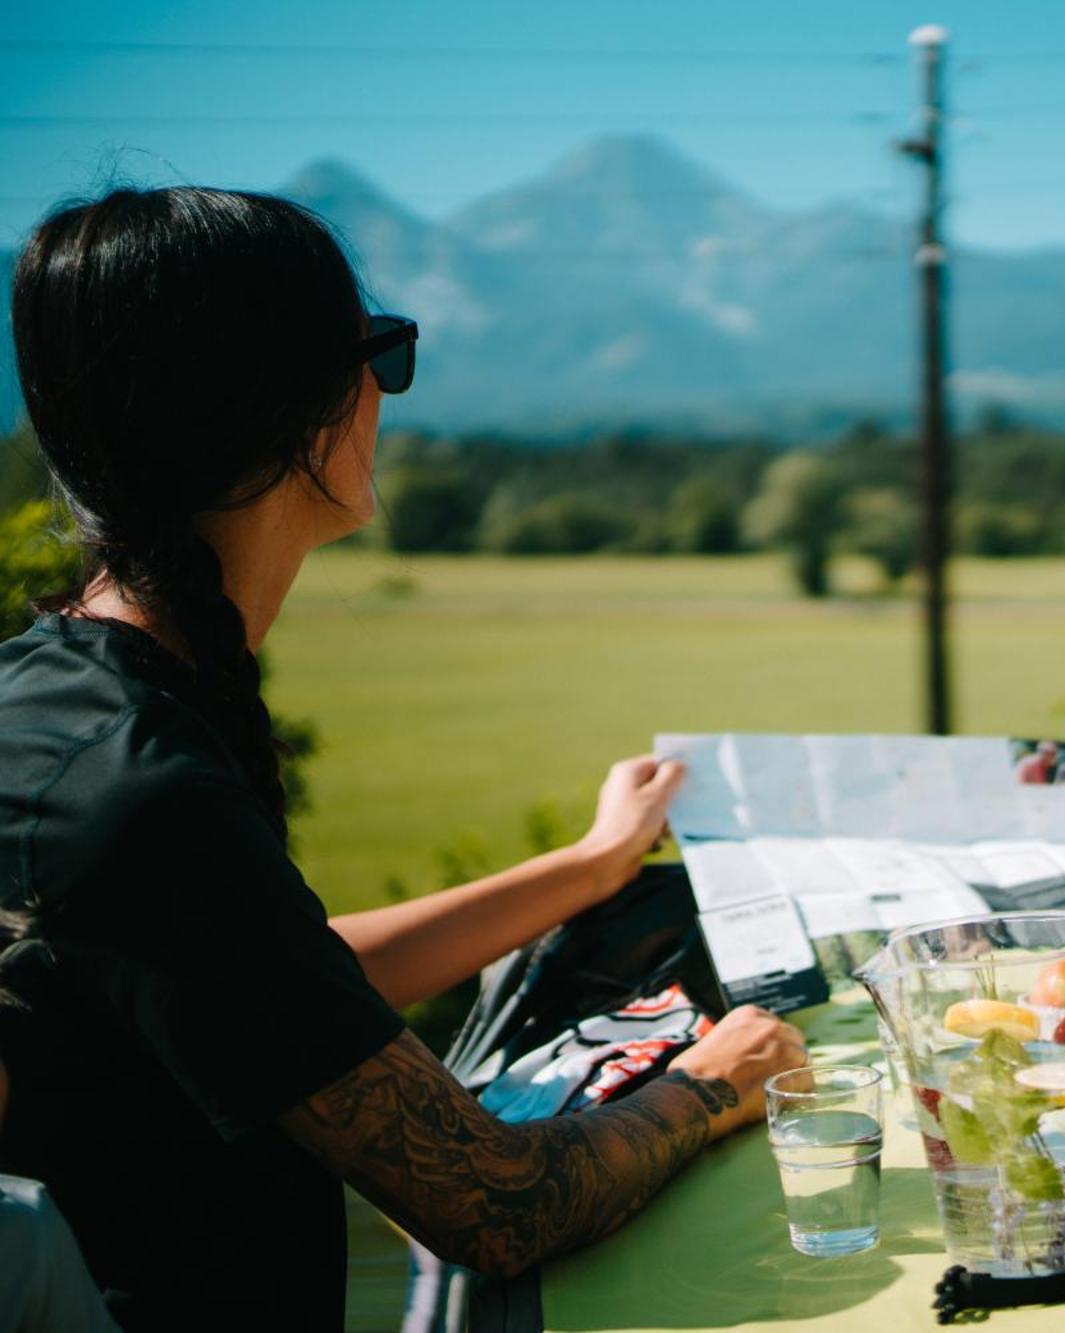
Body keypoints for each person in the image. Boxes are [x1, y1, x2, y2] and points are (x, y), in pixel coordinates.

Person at [0, 187, 806, 1328]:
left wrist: (589, 864)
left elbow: (276, 977)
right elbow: (497, 1202)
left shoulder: (54, 698)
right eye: (382, 354)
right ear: (294, 411)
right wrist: (717, 1081)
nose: (385, 392)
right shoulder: (134, 790)